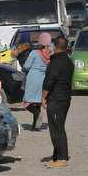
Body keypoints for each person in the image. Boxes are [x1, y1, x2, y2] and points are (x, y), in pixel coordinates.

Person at [42, 36, 74, 168]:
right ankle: (56, 157)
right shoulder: (68, 61)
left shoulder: (55, 63)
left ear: (54, 48)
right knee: (57, 127)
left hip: (56, 99)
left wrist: (44, 96)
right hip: (65, 98)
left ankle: (62, 158)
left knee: (57, 129)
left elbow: (50, 81)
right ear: (66, 48)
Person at [22, 32, 52, 131]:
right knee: (38, 102)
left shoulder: (34, 53)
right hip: (44, 79)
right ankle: (35, 126)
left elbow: (26, 66)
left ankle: (37, 114)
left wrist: (23, 68)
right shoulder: (51, 53)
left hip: (33, 78)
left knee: (28, 102)